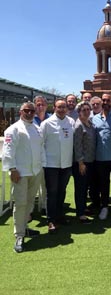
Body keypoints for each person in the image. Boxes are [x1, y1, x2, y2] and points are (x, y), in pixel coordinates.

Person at [2, 102, 45, 253]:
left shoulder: (37, 128)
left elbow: (41, 149)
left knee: (29, 202)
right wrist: (12, 169)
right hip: (20, 173)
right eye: (26, 110)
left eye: (31, 111)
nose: (29, 113)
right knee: (20, 204)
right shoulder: (13, 129)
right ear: (20, 112)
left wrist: (41, 167)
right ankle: (19, 235)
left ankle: (25, 227)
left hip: (35, 172)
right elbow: (7, 151)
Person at [40, 98, 75, 233]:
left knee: (62, 191)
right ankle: (51, 220)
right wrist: (43, 162)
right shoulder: (46, 124)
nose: (61, 109)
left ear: (67, 108)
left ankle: (60, 216)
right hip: (51, 164)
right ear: (54, 108)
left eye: (64, 107)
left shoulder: (71, 122)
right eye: (59, 107)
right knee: (52, 192)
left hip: (66, 164)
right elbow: (41, 144)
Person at [73, 102, 96, 223]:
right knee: (81, 188)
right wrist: (80, 163)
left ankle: (84, 208)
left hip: (91, 161)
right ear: (79, 112)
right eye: (84, 110)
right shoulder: (78, 126)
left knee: (86, 187)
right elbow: (77, 146)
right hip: (82, 163)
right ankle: (80, 213)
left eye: (88, 109)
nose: (86, 112)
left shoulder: (90, 124)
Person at [33, 95, 50, 213]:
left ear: (46, 106)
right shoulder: (30, 119)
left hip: (49, 157)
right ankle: (29, 210)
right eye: (38, 104)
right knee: (32, 184)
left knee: (46, 183)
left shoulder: (51, 119)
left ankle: (45, 206)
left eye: (43, 104)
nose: (40, 107)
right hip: (33, 156)